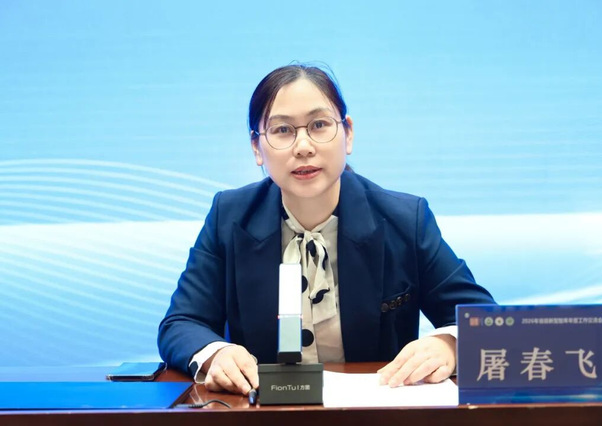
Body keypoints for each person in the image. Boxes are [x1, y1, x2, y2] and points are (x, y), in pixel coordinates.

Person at [158, 63, 496, 396]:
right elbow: (181, 323)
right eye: (282, 130)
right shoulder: (229, 217)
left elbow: (486, 319)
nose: (303, 146)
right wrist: (216, 354)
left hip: (375, 414)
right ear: (256, 147)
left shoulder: (405, 219)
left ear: (347, 134)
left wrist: (448, 344)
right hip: (265, 414)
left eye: (319, 125)